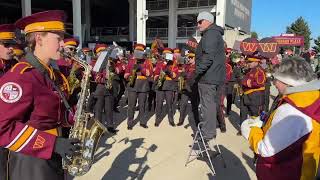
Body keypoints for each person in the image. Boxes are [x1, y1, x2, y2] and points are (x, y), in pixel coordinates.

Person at [0, 10, 80, 180]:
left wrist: (75, 116)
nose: (63, 45)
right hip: (31, 161)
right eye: (58, 39)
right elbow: (3, 128)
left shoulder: (51, 73)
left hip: (51, 155)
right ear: (39, 39)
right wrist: (53, 144)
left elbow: (50, 112)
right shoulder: (20, 76)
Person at [241, 56, 320, 180]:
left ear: (288, 81)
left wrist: (251, 130)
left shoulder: (293, 111)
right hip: (304, 170)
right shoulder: (310, 98)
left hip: (285, 173)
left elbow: (266, 150)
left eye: (275, 79)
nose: (274, 84)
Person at [191, 11, 226, 142]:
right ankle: (210, 131)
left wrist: (196, 72)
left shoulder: (210, 34)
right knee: (209, 104)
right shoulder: (213, 33)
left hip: (208, 77)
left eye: (200, 22)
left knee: (207, 105)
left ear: (207, 21)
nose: (198, 24)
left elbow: (208, 57)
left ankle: (207, 133)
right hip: (212, 76)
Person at [0, 23, 18, 180]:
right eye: (6, 44)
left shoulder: (14, 65)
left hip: (11, 127)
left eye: (12, 44)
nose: (11, 48)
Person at [124, 44, 153, 130]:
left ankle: (143, 122)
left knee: (142, 105)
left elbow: (149, 73)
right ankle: (130, 123)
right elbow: (126, 73)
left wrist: (141, 68)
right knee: (131, 105)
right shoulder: (131, 61)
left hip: (143, 86)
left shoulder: (147, 61)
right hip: (132, 85)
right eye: (137, 51)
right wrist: (128, 75)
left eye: (140, 51)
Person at [154, 48, 179, 127]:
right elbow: (156, 73)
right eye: (165, 54)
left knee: (169, 104)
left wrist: (169, 71)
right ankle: (157, 120)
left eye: (168, 54)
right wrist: (158, 75)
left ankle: (171, 120)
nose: (166, 56)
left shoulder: (173, 64)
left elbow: (175, 75)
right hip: (160, 85)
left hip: (169, 86)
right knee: (159, 103)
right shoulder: (160, 63)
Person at [239, 53, 266, 125]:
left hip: (255, 95)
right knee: (243, 112)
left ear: (256, 62)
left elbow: (260, 83)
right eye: (248, 62)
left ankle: (256, 129)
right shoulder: (249, 69)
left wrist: (246, 82)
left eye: (250, 62)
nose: (248, 63)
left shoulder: (259, 70)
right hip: (246, 95)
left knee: (255, 114)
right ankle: (243, 128)